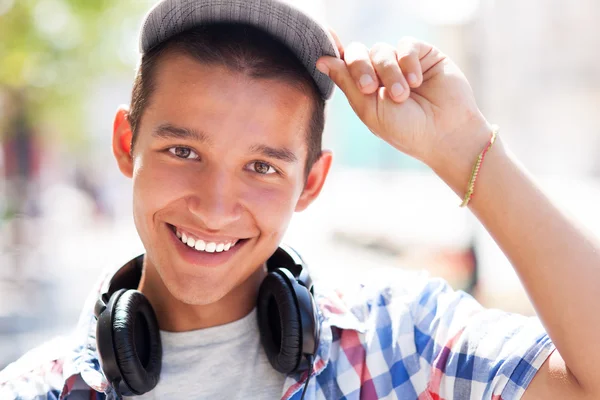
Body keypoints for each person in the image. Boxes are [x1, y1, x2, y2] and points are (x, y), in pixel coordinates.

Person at [1, 0, 599, 399]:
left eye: (261, 166)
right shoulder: (35, 390)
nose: (214, 206)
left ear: (311, 182)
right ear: (127, 144)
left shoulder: (401, 341)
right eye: (184, 152)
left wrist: (468, 151)